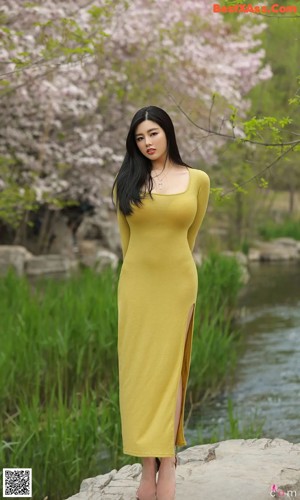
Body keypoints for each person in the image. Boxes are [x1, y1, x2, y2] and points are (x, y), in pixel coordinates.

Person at [111, 105, 210, 500]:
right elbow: (126, 243)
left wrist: (176, 276)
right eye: (139, 137)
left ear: (167, 132)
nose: (147, 142)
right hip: (136, 287)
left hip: (178, 286)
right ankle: (145, 466)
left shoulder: (198, 179)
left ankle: (167, 462)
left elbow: (191, 235)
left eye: (153, 133)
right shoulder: (127, 181)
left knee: (170, 375)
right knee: (138, 375)